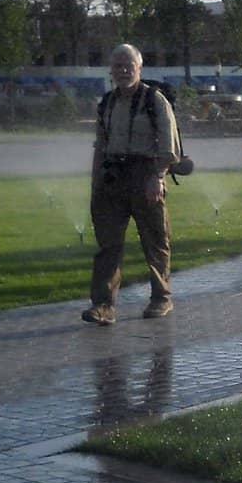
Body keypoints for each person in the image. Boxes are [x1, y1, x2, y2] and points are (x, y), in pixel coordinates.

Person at [83, 43, 179, 325]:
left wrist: (158, 177)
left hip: (146, 174)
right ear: (110, 71)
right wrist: (95, 184)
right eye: (118, 66)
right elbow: (100, 145)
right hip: (113, 177)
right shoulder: (107, 103)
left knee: (155, 239)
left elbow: (168, 143)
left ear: (140, 68)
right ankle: (103, 306)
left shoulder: (154, 100)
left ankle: (161, 297)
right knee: (108, 244)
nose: (124, 71)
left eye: (129, 66)